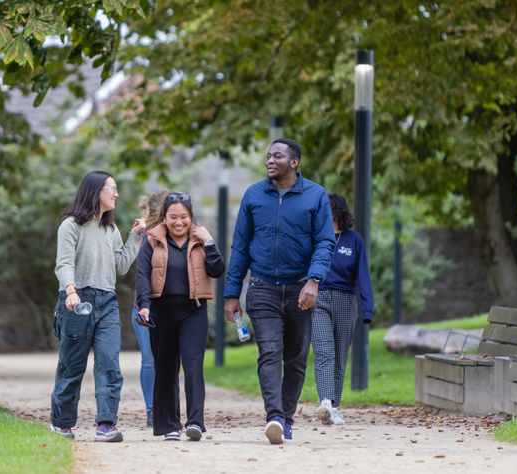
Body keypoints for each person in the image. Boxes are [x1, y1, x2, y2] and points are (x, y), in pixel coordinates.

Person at [224, 138, 335, 444]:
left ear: (294, 162)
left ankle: (286, 418)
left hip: (302, 288)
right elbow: (240, 247)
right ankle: (274, 417)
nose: (269, 161)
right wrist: (232, 293)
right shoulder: (254, 195)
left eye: (277, 156)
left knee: (296, 358)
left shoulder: (315, 195)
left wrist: (313, 281)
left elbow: (325, 242)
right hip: (262, 288)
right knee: (269, 353)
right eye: (268, 156)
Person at [49, 170, 145, 442]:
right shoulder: (71, 225)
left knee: (109, 365)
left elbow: (121, 267)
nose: (116, 194)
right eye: (111, 188)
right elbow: (64, 263)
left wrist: (135, 236)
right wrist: (70, 291)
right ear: (95, 191)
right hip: (77, 301)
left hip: (107, 303)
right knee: (72, 365)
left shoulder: (110, 228)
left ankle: (106, 425)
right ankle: (62, 424)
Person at [135, 193, 225, 441]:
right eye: (173, 217)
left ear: (191, 217)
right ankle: (170, 425)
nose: (179, 222)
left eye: (183, 217)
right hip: (160, 310)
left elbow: (217, 270)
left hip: (193, 310)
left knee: (193, 367)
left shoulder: (200, 239)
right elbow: (142, 275)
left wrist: (209, 241)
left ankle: (195, 422)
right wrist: (143, 305)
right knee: (165, 368)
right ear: (164, 217)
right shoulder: (151, 240)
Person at [312, 194, 374, 425]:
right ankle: (325, 402)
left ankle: (334, 408)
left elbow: (363, 276)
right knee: (323, 352)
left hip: (345, 301)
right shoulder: (314, 238)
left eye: (327, 210)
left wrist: (368, 309)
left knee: (339, 356)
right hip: (318, 300)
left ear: (338, 212)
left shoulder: (353, 240)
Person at [131, 190, 175, 428]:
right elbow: (141, 277)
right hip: (145, 307)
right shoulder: (146, 237)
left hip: (173, 307)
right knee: (149, 361)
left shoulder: (182, 236)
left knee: (166, 360)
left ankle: (167, 407)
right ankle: (152, 410)